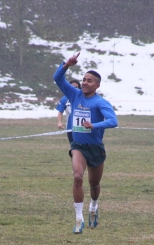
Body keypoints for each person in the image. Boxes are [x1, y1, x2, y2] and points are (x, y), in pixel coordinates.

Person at [53, 52, 118, 234]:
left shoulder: (100, 102)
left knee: (94, 184)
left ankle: (93, 207)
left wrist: (94, 125)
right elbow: (57, 78)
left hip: (96, 148)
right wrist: (67, 65)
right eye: (83, 79)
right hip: (78, 146)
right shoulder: (74, 95)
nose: (84, 82)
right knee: (77, 177)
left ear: (97, 85)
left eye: (89, 81)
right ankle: (79, 219)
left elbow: (113, 121)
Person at [56, 79, 81, 144]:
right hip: (70, 128)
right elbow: (60, 112)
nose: (74, 89)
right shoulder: (64, 99)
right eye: (72, 87)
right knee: (74, 148)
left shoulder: (83, 97)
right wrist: (59, 122)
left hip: (83, 129)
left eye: (76, 87)